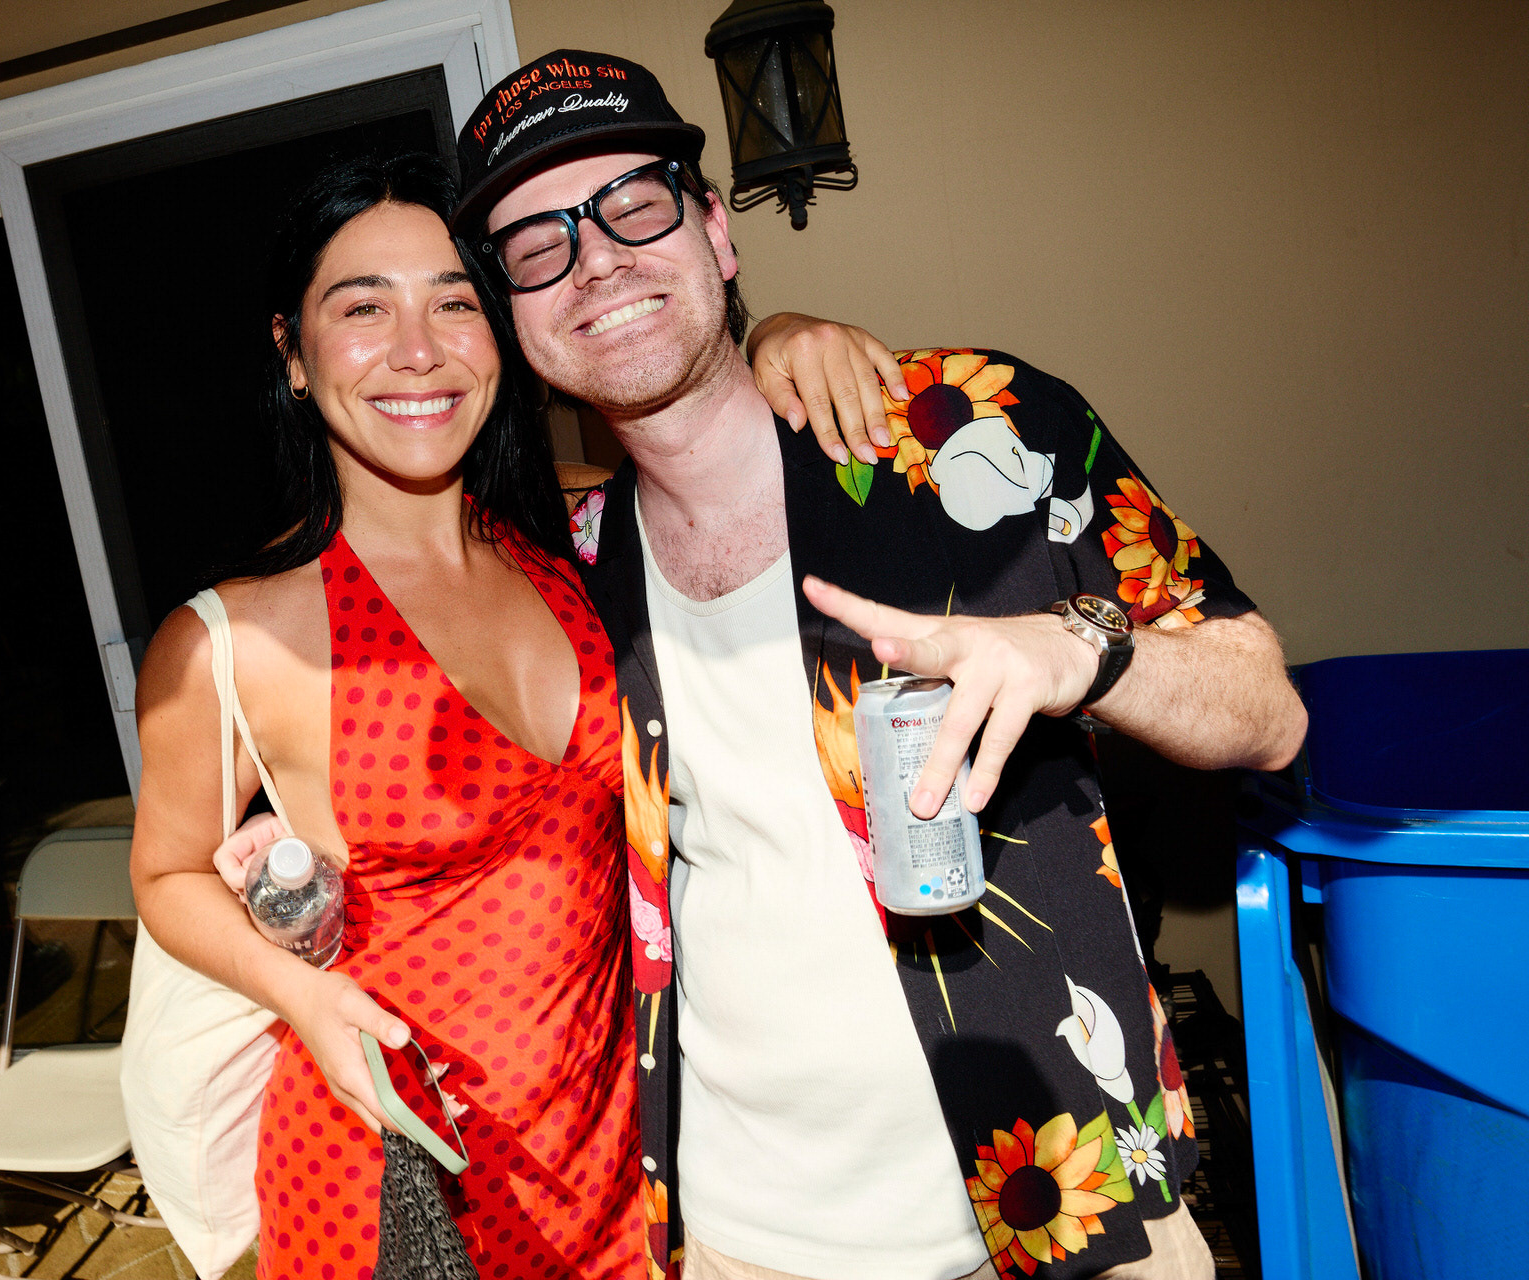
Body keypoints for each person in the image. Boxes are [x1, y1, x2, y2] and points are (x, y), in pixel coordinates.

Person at [454, 51, 1307, 1280]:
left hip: (1071, 1198)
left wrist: (1079, 648)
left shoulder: (977, 428)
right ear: (515, 314)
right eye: (538, 244)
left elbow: (1268, 710)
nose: (595, 261)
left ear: (716, 231)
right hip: (742, 1236)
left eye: (634, 205)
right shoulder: (570, 569)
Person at [128, 152, 901, 1279]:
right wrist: (299, 991)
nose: (418, 349)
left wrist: (780, 332)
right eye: (363, 308)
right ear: (292, 352)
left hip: (622, 1155)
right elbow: (165, 874)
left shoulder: (576, 540)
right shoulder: (232, 639)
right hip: (396, 1175)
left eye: (455, 303)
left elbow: (709, 443)